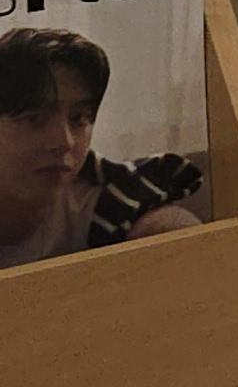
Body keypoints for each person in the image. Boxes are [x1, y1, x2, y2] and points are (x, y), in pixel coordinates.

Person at [0, 26, 204, 270]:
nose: (65, 141)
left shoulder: (110, 200)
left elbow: (169, 230)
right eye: (34, 118)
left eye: (79, 118)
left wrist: (168, 235)